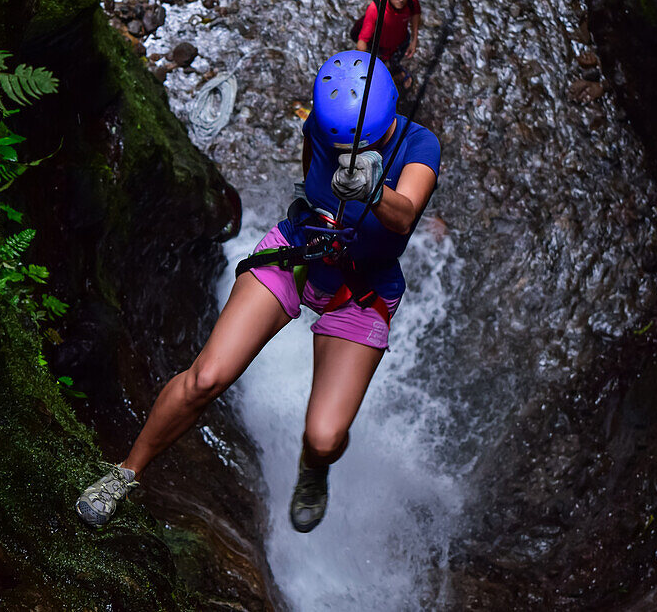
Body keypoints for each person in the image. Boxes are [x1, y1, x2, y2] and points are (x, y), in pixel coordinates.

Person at [76, 50, 440, 533]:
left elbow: (407, 212)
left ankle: (314, 467)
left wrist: (373, 191)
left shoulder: (419, 144)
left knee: (326, 436)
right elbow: (314, 184)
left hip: (361, 284)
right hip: (301, 250)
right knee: (206, 377)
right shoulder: (324, 123)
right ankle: (125, 472)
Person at [354, 0, 422, 89]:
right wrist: (361, 71)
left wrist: (414, 39)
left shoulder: (411, 0)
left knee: (394, 62)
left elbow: (416, 14)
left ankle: (394, 72)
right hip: (379, 47)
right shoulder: (376, 9)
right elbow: (362, 42)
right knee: (378, 68)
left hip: (400, 42)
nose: (401, 0)